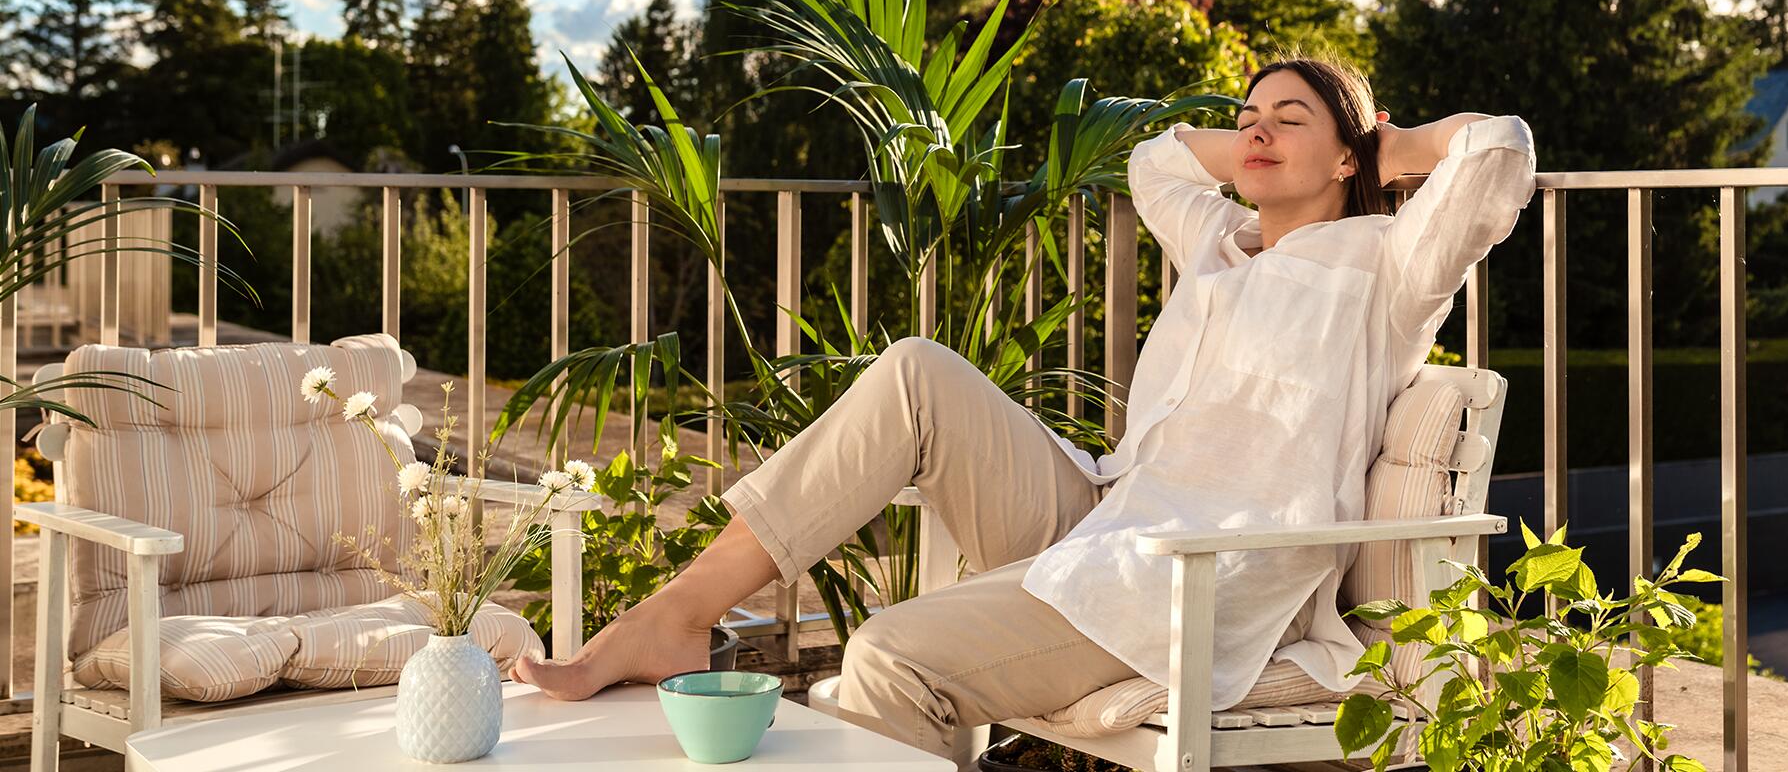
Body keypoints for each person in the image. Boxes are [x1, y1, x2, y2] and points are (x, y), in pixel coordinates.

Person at [511, 57, 1538, 756]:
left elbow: (1499, 153)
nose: (1254, 134)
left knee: (892, 656)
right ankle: (678, 614)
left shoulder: (1387, 268)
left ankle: (676, 628)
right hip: (1099, 515)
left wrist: (1387, 146)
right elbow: (1157, 157)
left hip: (1180, 580)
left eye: (1288, 122)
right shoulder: (1221, 247)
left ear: (1352, 158)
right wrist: (1287, 142)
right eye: (1249, 119)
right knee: (917, 369)